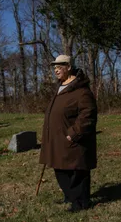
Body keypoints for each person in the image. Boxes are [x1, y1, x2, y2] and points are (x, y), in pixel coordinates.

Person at [40, 54, 98, 212]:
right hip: (57, 138)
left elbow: (88, 114)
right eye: (54, 67)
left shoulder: (81, 90)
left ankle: (81, 203)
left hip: (73, 139)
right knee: (60, 168)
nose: (56, 70)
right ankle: (70, 196)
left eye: (60, 66)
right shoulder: (61, 86)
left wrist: (73, 133)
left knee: (76, 171)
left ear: (69, 67)